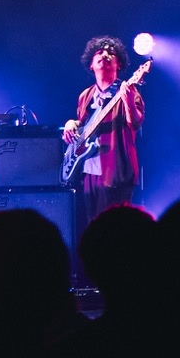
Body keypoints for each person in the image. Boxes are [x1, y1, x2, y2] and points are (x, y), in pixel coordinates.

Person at [63, 36, 145, 225]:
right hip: (88, 171)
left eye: (111, 53)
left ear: (118, 64)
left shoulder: (128, 90)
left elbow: (135, 123)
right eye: (99, 52)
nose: (105, 55)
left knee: (113, 227)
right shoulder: (86, 95)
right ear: (91, 65)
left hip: (115, 170)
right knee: (93, 226)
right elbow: (83, 124)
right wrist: (71, 123)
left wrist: (128, 100)